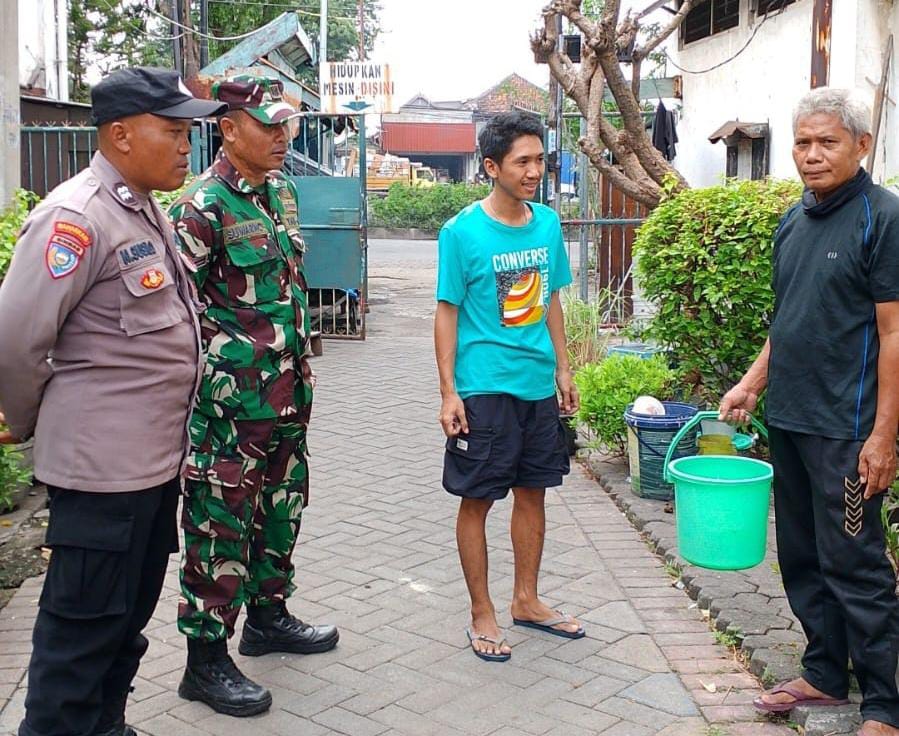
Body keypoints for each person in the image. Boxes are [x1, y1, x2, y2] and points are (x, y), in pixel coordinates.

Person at [0, 67, 225, 736]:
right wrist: (27, 421)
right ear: (121, 134)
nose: (189, 147)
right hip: (101, 479)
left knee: (122, 625)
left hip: (149, 472)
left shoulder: (140, 204)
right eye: (175, 132)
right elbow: (15, 342)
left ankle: (105, 726)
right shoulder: (76, 216)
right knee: (78, 638)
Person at [720, 88, 899, 736]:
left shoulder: (882, 219)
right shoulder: (792, 223)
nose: (812, 154)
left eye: (826, 142)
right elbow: (788, 321)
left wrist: (883, 435)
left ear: (860, 146)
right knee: (801, 557)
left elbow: (893, 333)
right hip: (791, 425)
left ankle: (883, 704)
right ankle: (824, 673)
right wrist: (750, 385)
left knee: (854, 561)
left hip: (846, 436)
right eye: (802, 142)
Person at [170, 74, 338, 717]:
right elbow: (175, 315)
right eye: (268, 125)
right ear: (228, 127)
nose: (281, 136)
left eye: (285, 124)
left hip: (287, 396)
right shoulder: (201, 207)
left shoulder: (279, 194)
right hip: (230, 410)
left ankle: (268, 618)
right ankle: (205, 661)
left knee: (281, 510)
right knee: (220, 525)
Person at [434, 111, 584, 662]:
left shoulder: (546, 224)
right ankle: (482, 612)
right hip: (484, 388)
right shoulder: (461, 232)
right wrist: (449, 391)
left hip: (535, 387)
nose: (534, 171)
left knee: (533, 491)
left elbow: (551, 302)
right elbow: (446, 311)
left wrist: (564, 370)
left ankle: (527, 599)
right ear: (491, 166)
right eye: (522, 161)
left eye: (539, 159)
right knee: (477, 500)